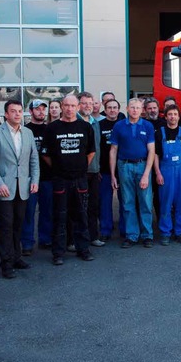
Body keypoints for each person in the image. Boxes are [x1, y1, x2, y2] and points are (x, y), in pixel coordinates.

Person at [0, 100, 40, 279]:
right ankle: (6, 263)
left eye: (19, 111)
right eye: (13, 111)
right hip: (4, 188)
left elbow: (34, 160)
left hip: (23, 187)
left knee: (18, 224)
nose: (17, 114)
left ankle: (17, 257)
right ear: (6, 114)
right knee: (6, 226)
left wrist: (34, 180)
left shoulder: (28, 133)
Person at [41, 94, 96, 264]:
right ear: (61, 107)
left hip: (80, 179)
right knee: (59, 216)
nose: (69, 109)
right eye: (66, 105)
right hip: (60, 179)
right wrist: (60, 167)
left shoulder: (85, 127)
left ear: (78, 107)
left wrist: (80, 167)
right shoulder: (52, 128)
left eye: (73, 106)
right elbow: (45, 154)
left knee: (81, 215)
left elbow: (91, 151)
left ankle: (83, 249)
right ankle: (58, 253)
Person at [109, 98, 156, 249]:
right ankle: (131, 235)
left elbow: (151, 151)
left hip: (142, 166)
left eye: (138, 108)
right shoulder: (119, 126)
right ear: (127, 108)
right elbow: (113, 150)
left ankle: (147, 235)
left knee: (145, 202)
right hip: (124, 167)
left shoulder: (148, 126)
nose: (135, 110)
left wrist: (146, 174)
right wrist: (112, 175)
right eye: (132, 107)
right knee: (128, 203)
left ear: (142, 109)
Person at [154, 104, 181, 245]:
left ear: (178, 116)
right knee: (165, 202)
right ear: (165, 116)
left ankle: (180, 231)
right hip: (166, 172)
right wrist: (158, 173)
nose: (172, 117)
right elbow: (156, 155)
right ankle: (165, 232)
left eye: (175, 114)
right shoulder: (159, 133)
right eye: (170, 114)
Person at [22, 99, 53, 254]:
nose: (41, 112)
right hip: (29, 178)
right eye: (37, 109)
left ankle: (45, 239)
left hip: (48, 177)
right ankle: (27, 243)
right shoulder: (24, 130)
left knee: (47, 210)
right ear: (31, 111)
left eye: (43, 109)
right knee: (28, 212)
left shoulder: (50, 129)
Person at [78, 92, 105, 247]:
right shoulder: (75, 122)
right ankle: (77, 239)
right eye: (84, 103)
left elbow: (97, 148)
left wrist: (98, 168)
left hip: (94, 172)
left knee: (93, 206)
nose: (88, 106)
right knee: (78, 207)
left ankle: (93, 236)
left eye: (90, 103)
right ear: (78, 105)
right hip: (79, 173)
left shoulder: (95, 123)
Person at [98, 99, 125, 241]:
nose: (112, 110)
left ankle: (124, 229)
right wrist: (96, 169)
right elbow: (95, 149)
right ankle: (105, 230)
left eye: (115, 107)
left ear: (119, 109)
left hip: (122, 169)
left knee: (125, 200)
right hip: (104, 170)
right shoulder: (99, 125)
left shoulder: (123, 125)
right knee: (105, 202)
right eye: (109, 108)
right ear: (105, 109)